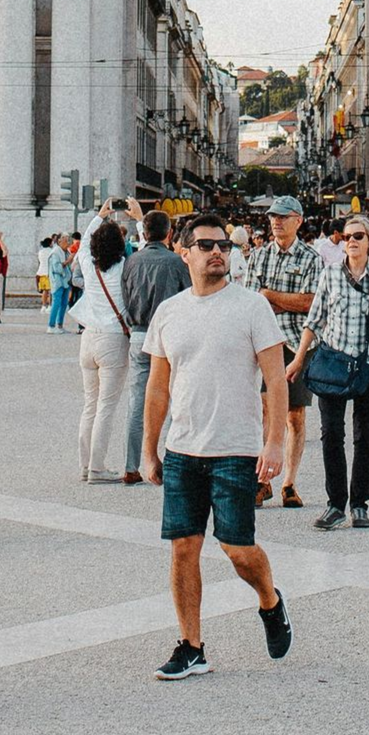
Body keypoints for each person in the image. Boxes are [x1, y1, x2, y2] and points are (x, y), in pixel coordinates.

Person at [138, 212, 292, 680]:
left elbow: (275, 379)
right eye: (206, 245)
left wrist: (275, 443)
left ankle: (270, 600)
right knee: (183, 548)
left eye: (223, 244)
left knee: (237, 549)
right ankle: (191, 645)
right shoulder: (170, 311)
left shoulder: (251, 307)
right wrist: (149, 449)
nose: (218, 252)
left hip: (236, 448)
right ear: (184, 252)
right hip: (184, 448)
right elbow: (157, 387)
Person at [287, 213, 369, 529]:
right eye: (347, 236)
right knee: (331, 435)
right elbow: (314, 320)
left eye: (358, 236)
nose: (350, 240)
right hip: (333, 365)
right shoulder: (331, 274)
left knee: (365, 438)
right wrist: (298, 360)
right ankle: (335, 504)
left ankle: (360, 504)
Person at [242, 195, 320, 507]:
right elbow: (250, 302)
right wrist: (276, 300)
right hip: (263, 343)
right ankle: (262, 481)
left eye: (284, 217)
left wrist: (269, 295)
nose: (276, 221)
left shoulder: (311, 259)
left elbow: (310, 302)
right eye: (273, 216)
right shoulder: (258, 256)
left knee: (294, 416)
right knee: (263, 410)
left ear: (298, 221)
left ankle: (289, 482)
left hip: (296, 343)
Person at [120, 208, 192, 483]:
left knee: (137, 402)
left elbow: (125, 295)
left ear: (145, 233)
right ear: (169, 234)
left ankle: (131, 466)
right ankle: (171, 459)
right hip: (168, 336)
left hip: (138, 334)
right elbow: (189, 298)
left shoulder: (132, 261)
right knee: (175, 398)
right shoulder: (176, 263)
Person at [74, 209, 134, 483]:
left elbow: (85, 241)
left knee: (90, 404)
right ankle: (98, 468)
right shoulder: (125, 267)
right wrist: (139, 219)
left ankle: (85, 465)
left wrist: (99, 216)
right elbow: (146, 248)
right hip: (112, 338)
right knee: (107, 406)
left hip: (88, 337)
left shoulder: (88, 264)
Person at [46, 229, 75, 334]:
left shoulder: (66, 252)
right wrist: (68, 261)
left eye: (68, 239)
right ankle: (51, 325)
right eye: (65, 239)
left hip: (65, 281)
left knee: (64, 304)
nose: (67, 242)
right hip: (58, 282)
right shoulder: (55, 253)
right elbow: (56, 268)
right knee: (56, 303)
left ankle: (59, 325)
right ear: (59, 241)